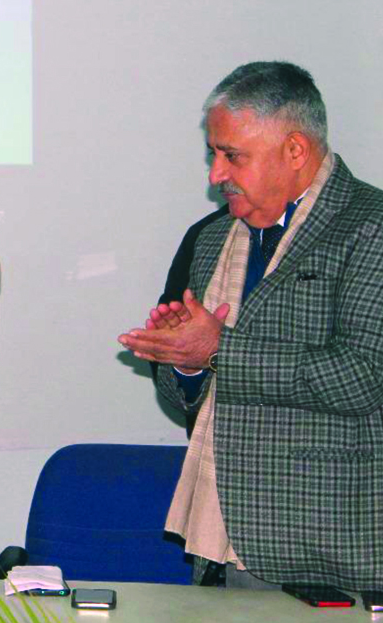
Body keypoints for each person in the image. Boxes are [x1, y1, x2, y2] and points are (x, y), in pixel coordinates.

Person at [119, 61, 383, 591]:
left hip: (335, 545)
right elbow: (185, 397)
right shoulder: (212, 238)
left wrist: (217, 351)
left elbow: (362, 375)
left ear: (295, 151)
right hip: (225, 537)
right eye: (213, 154)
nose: (215, 174)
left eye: (231, 155)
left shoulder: (369, 226)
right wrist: (184, 361)